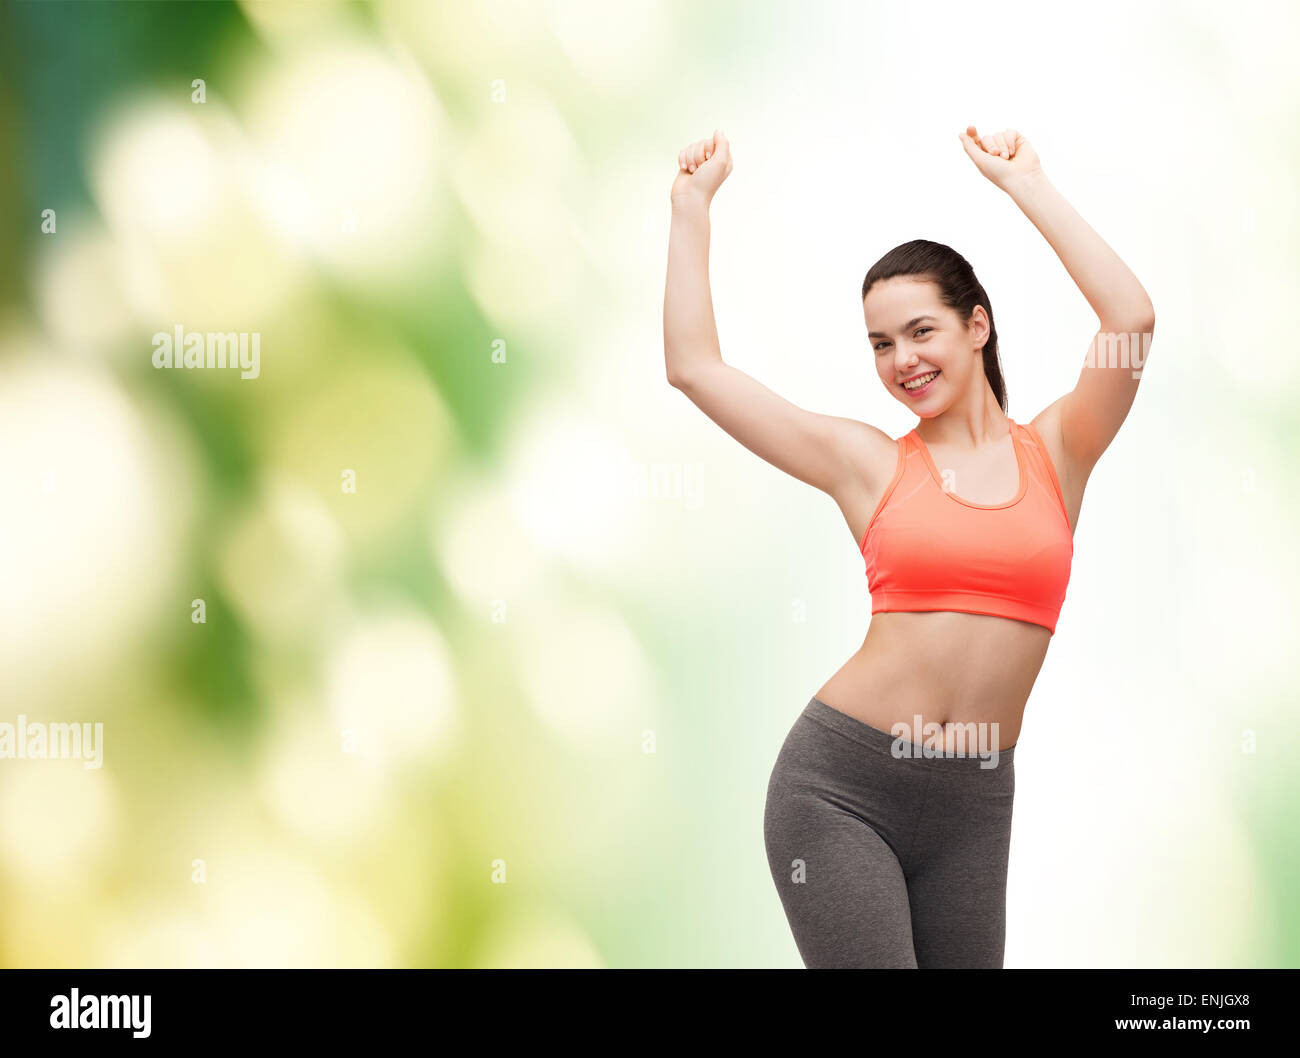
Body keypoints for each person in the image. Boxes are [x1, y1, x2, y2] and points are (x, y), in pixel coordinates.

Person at [662, 126, 1154, 968]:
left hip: (976, 803)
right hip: (840, 789)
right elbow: (696, 369)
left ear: (977, 326)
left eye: (920, 331)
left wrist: (1027, 184)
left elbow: (1131, 317)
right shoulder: (870, 464)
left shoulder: (1061, 450)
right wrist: (691, 209)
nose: (901, 361)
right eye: (881, 343)